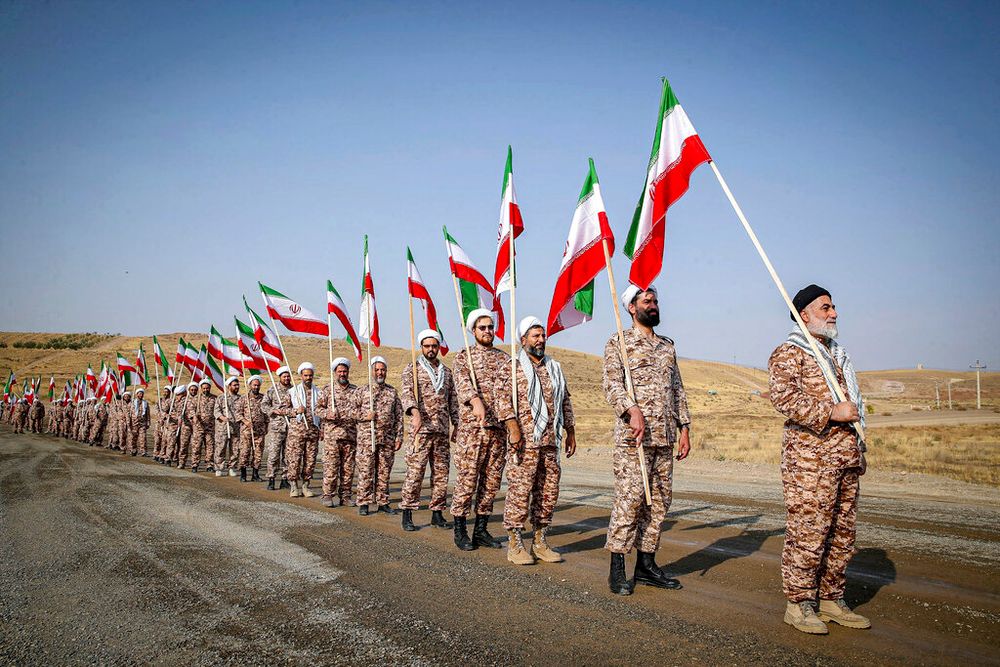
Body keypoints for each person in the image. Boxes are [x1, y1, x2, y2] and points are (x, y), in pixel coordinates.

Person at [768, 284, 871, 634]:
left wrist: (859, 445)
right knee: (809, 533)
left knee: (842, 535)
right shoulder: (790, 352)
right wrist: (832, 412)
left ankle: (830, 598)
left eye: (833, 307)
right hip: (810, 461)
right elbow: (783, 398)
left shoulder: (836, 355)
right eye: (825, 308)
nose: (833, 313)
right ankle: (799, 604)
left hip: (844, 458)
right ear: (804, 314)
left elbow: (853, 404)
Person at [603, 284, 690, 595]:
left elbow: (677, 388)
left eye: (655, 300)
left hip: (664, 436)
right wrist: (631, 409)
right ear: (631, 307)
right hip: (634, 438)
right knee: (630, 500)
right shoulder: (619, 343)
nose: (653, 305)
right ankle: (617, 567)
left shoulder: (668, 346)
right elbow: (611, 384)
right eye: (647, 300)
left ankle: (646, 564)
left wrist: (685, 427)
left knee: (660, 502)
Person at [503, 317, 576, 566]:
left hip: (550, 442)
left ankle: (540, 541)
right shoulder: (512, 368)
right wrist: (513, 428)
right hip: (524, 443)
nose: (541, 340)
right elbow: (502, 402)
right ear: (523, 340)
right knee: (520, 492)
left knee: (548, 493)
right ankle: (515, 544)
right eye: (535, 336)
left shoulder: (554, 367)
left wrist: (571, 431)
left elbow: (565, 399)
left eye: (543, 335)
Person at [450, 309, 522, 551]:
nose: (488, 331)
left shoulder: (505, 359)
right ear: (473, 331)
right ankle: (460, 528)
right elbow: (461, 383)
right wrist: (474, 400)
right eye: (483, 328)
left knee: (491, 483)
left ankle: (480, 529)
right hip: (473, 429)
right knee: (467, 480)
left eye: (491, 327)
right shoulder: (463, 357)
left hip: (498, 430)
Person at [399, 329, 458, 531]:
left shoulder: (447, 373)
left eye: (434, 346)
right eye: (427, 346)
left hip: (441, 430)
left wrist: (456, 424)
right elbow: (406, 394)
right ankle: (407, 512)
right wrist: (414, 413)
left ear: (439, 347)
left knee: (441, 474)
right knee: (415, 473)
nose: (431, 349)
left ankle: (437, 513)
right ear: (421, 347)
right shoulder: (412, 369)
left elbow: (454, 402)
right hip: (421, 430)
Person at [353, 356, 403, 516]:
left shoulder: (392, 392)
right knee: (366, 471)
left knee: (384, 472)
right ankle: (364, 502)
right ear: (371, 371)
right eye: (377, 370)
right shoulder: (361, 391)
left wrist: (399, 437)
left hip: (387, 440)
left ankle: (383, 501)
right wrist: (364, 416)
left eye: (383, 370)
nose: (380, 372)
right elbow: (349, 412)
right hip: (367, 440)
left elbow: (399, 416)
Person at [273, 362, 321, 498]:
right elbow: (281, 409)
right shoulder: (293, 392)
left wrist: (321, 428)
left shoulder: (319, 392)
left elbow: (321, 411)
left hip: (313, 431)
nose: (308, 378)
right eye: (306, 375)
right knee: (294, 459)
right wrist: (295, 411)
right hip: (296, 432)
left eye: (310, 375)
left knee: (310, 460)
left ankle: (306, 486)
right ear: (301, 376)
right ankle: (293, 486)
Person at [317, 358, 361, 507]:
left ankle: (346, 496)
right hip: (332, 437)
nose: (342, 374)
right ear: (335, 372)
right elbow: (317, 409)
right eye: (340, 371)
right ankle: (328, 495)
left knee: (348, 469)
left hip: (350, 436)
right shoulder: (327, 390)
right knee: (331, 467)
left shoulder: (355, 390)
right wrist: (327, 414)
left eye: (345, 371)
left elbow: (361, 410)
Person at [261, 367, 293, 491]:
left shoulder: (294, 390)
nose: (286, 378)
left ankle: (285, 479)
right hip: (276, 428)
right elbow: (263, 405)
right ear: (280, 377)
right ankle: (271, 478)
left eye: (288, 376)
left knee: (288, 455)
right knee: (273, 454)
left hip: (290, 427)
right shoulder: (272, 390)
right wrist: (272, 410)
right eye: (284, 376)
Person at [237, 375, 267, 482]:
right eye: (254, 385)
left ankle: (255, 474)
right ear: (250, 385)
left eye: (258, 385)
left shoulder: (263, 398)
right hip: (247, 431)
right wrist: (245, 421)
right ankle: (243, 474)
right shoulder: (244, 398)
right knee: (245, 452)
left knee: (258, 453)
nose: (256, 387)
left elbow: (266, 414)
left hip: (260, 431)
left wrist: (266, 427)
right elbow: (238, 413)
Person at [213, 376, 241, 476]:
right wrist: (222, 417)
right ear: (229, 386)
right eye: (234, 385)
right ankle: (219, 468)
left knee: (235, 449)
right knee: (220, 448)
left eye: (238, 385)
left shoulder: (240, 399)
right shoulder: (221, 398)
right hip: (223, 428)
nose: (237, 387)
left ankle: (232, 467)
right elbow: (216, 411)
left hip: (236, 428)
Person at [191, 378, 215, 473]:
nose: (206, 390)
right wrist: (194, 416)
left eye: (207, 388)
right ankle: (195, 464)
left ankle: (209, 465)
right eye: (204, 388)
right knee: (197, 446)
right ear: (201, 388)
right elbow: (191, 409)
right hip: (199, 427)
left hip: (210, 427)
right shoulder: (196, 399)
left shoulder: (214, 398)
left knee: (210, 447)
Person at [131, 387, 151, 456]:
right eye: (139, 394)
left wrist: (148, 422)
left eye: (142, 394)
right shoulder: (132, 402)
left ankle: (143, 451)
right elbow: (129, 413)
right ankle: (133, 450)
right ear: (137, 394)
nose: (141, 395)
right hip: (134, 423)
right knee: (134, 437)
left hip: (143, 423)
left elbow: (148, 413)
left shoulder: (145, 403)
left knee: (143, 437)